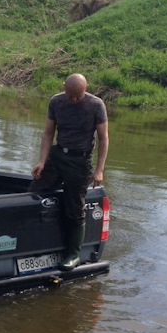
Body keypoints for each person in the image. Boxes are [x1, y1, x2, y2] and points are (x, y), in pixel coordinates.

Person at [30, 73, 109, 271]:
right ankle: (35, 241)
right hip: (58, 155)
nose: (73, 99)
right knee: (34, 192)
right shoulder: (56, 102)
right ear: (64, 87)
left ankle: (73, 254)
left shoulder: (96, 105)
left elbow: (103, 139)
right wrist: (41, 161)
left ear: (86, 88)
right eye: (70, 95)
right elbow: (48, 133)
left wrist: (99, 170)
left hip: (80, 161)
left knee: (75, 207)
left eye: (78, 95)